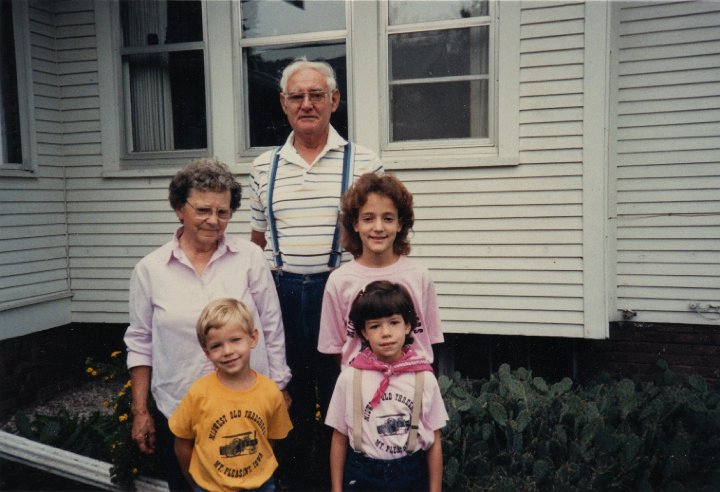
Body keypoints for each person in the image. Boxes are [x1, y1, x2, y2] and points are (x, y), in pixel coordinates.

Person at [249, 57, 382, 488]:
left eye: (317, 95)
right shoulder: (262, 167)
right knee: (288, 401)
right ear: (284, 104)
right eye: (297, 96)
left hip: (342, 296)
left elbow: (381, 238)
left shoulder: (364, 162)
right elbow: (257, 243)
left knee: (344, 397)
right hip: (282, 294)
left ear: (334, 101)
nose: (307, 104)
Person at [124, 158, 291, 491]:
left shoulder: (250, 258)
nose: (213, 221)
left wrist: (280, 385)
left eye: (223, 212)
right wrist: (140, 409)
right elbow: (140, 342)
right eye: (202, 210)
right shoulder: (150, 269)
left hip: (246, 408)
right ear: (178, 208)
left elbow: (271, 326)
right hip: (180, 408)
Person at [325, 281, 448, 492]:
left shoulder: (423, 377)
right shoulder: (350, 377)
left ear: (408, 325)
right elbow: (339, 438)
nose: (386, 333)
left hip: (410, 473)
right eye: (375, 326)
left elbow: (434, 439)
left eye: (394, 322)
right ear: (363, 332)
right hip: (363, 473)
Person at [318, 172, 444, 368]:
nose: (378, 227)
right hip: (360, 384)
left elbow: (429, 340)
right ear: (355, 224)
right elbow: (334, 347)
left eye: (388, 218)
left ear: (400, 223)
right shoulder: (339, 280)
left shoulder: (419, 276)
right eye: (368, 218)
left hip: (411, 382)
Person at [170, 298, 293, 492]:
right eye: (216, 346)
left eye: (235, 340)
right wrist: (196, 484)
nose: (227, 351)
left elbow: (270, 440)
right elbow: (182, 444)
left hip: (260, 486)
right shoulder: (198, 393)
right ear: (207, 352)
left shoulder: (270, 391)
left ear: (253, 338)